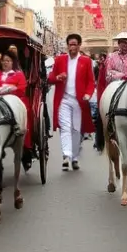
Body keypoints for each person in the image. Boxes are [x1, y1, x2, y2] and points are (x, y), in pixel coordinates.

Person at [48, 33, 95, 171]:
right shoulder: (60, 59)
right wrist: (57, 77)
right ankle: (66, 156)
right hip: (64, 99)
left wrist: (88, 94)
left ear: (79, 45)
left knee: (76, 129)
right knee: (65, 127)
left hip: (79, 100)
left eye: (74, 44)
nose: (72, 47)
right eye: (70, 44)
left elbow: (90, 81)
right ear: (67, 45)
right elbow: (50, 78)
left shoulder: (86, 61)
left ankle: (74, 158)